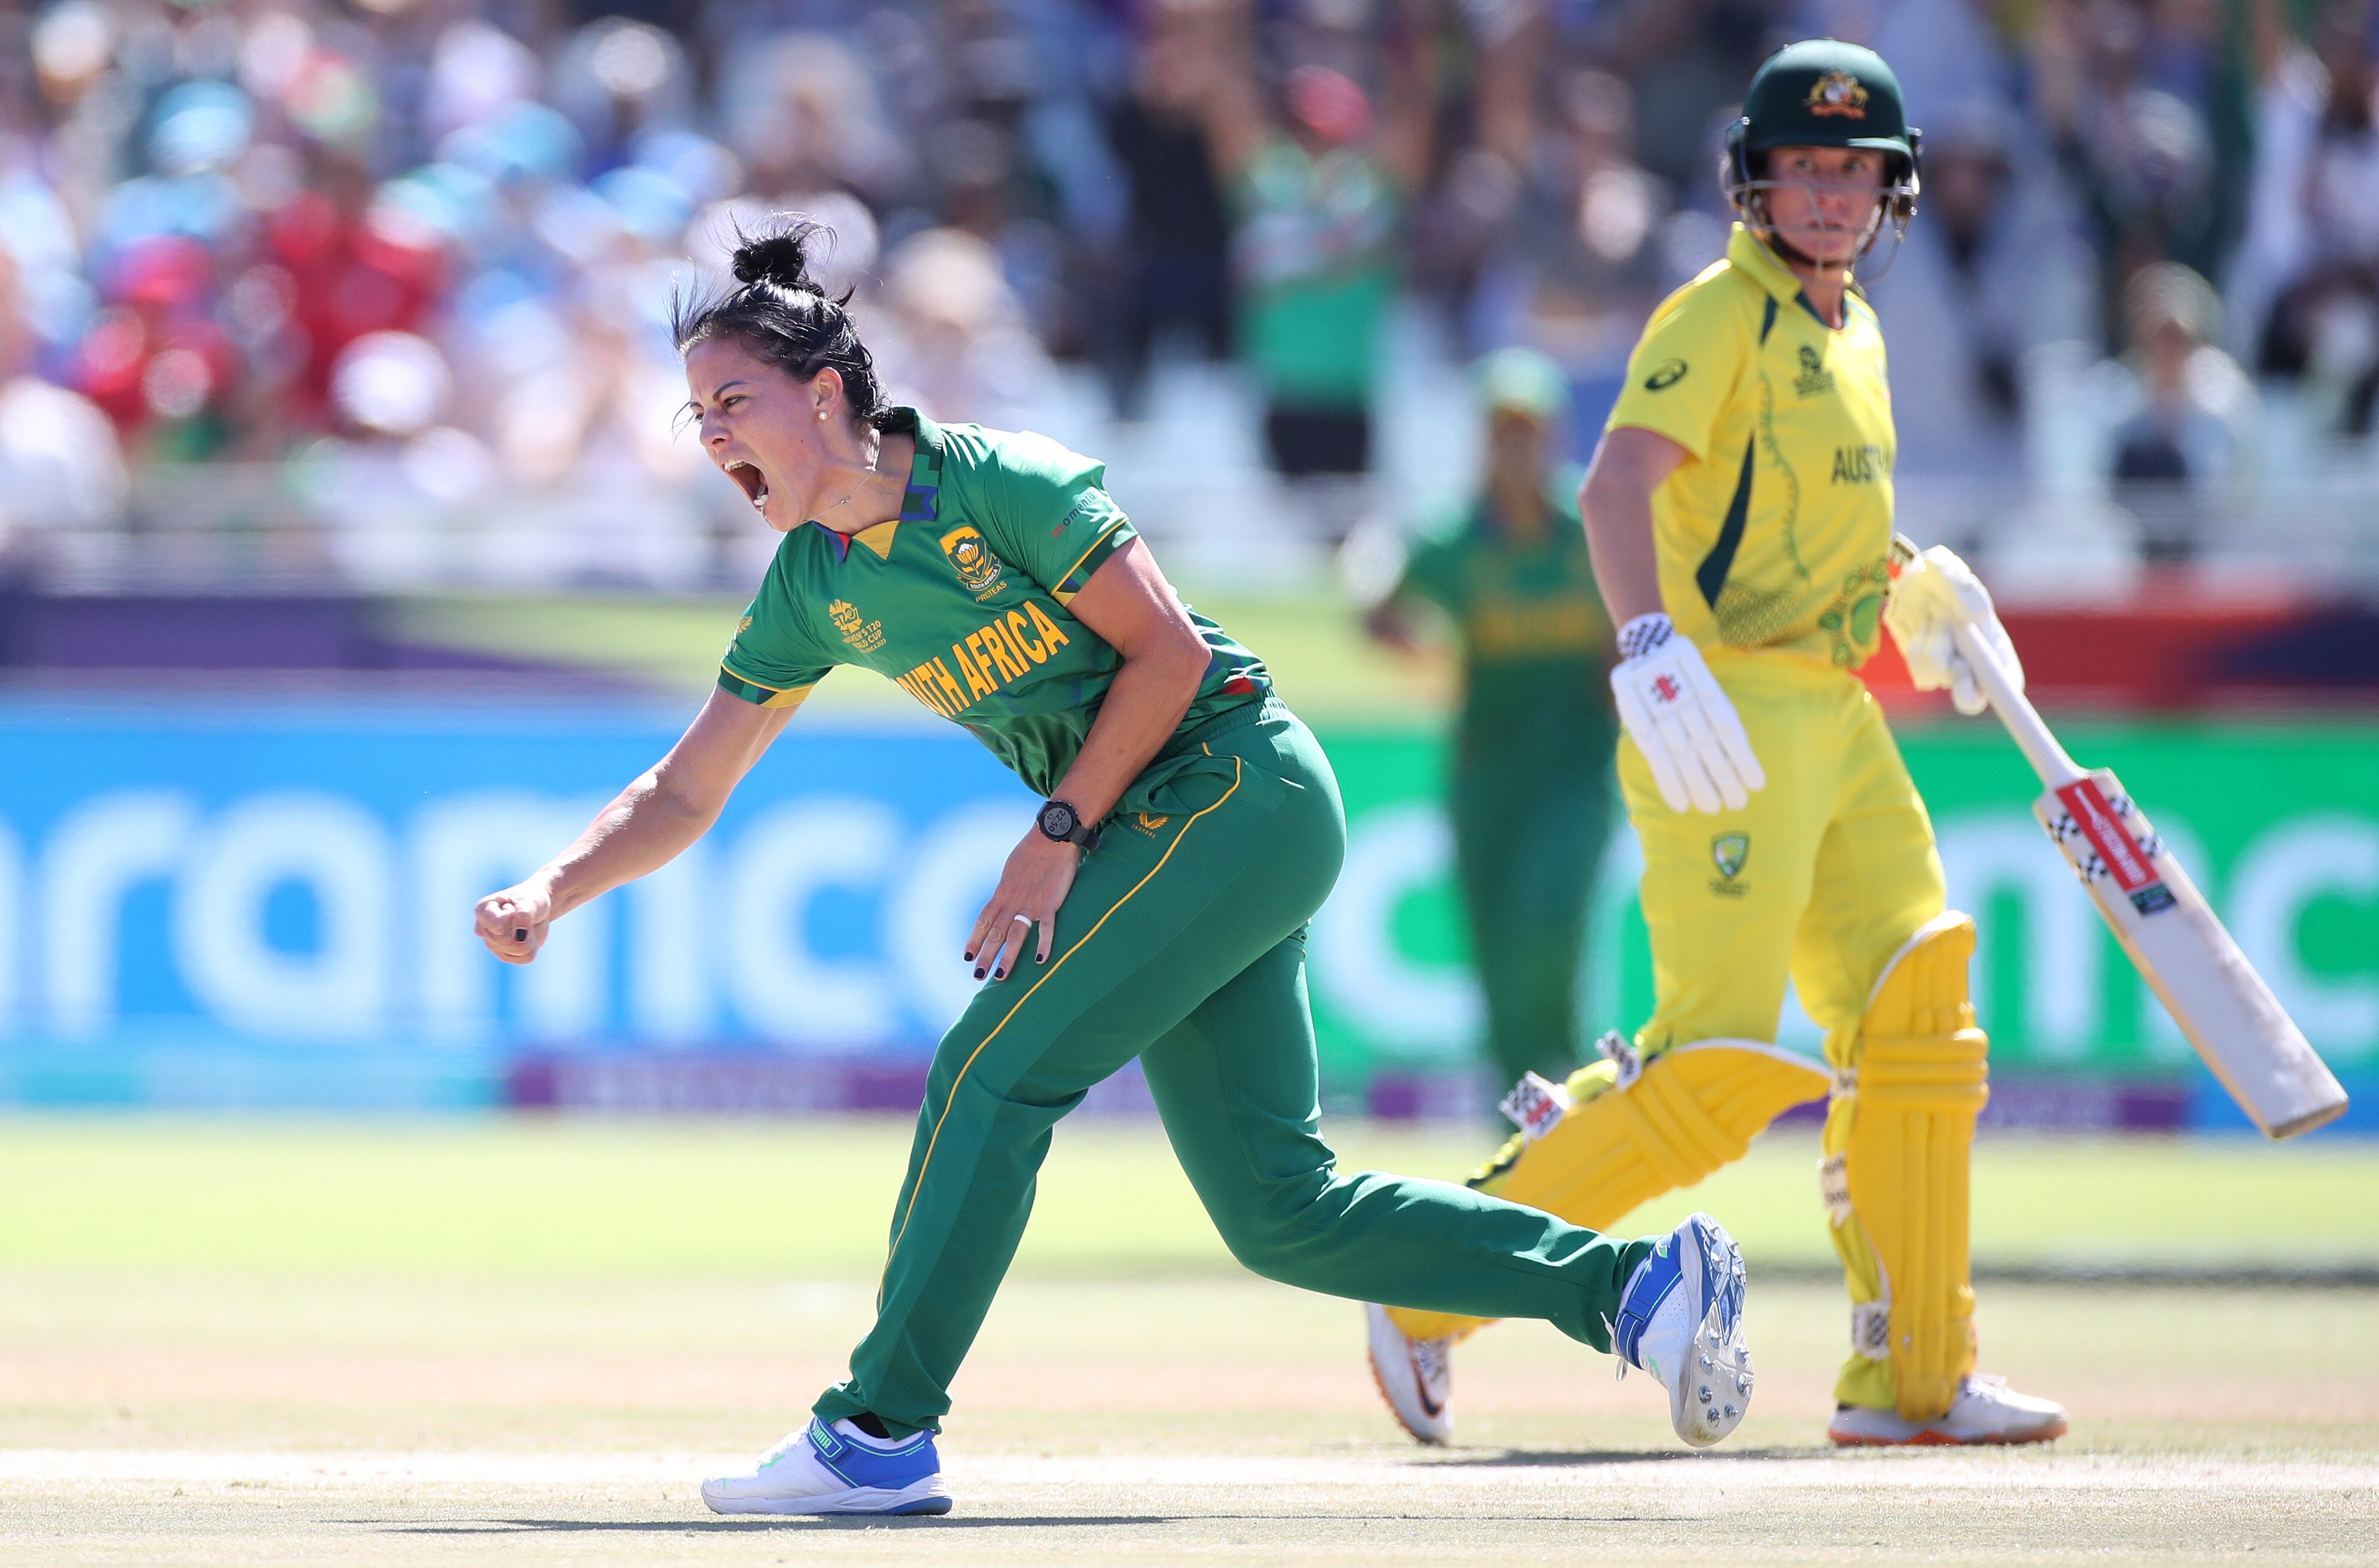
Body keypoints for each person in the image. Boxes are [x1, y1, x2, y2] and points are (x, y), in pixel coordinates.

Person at [471, 220, 1755, 1516]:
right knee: (1279, 1211)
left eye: (729, 403)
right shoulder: (809, 585)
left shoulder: (1003, 483)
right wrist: (552, 888)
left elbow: (1170, 658)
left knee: (989, 1069)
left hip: (1233, 786)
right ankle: (1636, 1289)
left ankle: (876, 1431)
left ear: (824, 394)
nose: (709, 438)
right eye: (694, 416)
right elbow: (687, 784)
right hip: (1173, 834)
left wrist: (1055, 835)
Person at [1364, 42, 2070, 1452]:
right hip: (1724, 714)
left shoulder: (1852, 330)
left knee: (1916, 1012)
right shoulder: (1717, 314)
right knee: (1713, 1070)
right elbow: (1615, 483)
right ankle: (1429, 1290)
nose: (1825, 192)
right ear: (1754, 181)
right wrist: (1649, 649)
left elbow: (1812, 514)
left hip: (1841, 703)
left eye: (1852, 169)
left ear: (1890, 190)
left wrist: (1917, 577)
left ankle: (1915, 1378)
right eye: (1801, 166)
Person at [1362, 348, 1617, 1093]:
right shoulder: (1454, 536)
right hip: (1486, 765)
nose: (1517, 447)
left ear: (1555, 435)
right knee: (1494, 940)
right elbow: (1378, 606)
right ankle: (1518, 1102)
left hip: (1574, 765)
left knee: (1550, 917)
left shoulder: (1589, 528)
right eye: (1502, 430)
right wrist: (1425, 654)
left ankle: (1564, 1067)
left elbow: (1645, 611)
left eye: (1530, 430)